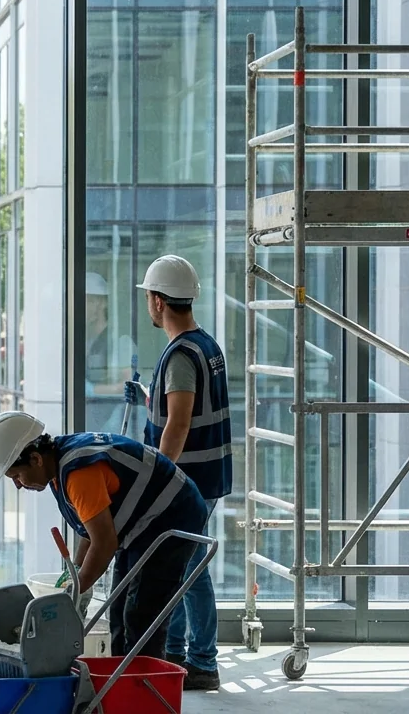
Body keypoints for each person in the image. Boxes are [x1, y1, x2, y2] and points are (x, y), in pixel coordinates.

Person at [0, 411, 207, 665]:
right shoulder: (59, 466)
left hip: (171, 516)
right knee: (119, 609)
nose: (18, 485)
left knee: (141, 615)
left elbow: (104, 543)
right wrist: (77, 575)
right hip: (143, 523)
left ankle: (146, 689)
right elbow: (91, 529)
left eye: (16, 476)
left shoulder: (79, 473)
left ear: (35, 459)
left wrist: (76, 593)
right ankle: (122, 684)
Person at [124, 254, 232, 691]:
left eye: (148, 298)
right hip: (207, 473)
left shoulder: (180, 353)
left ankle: (202, 661)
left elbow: (180, 421)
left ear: (157, 301)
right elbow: (180, 408)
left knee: (190, 570)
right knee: (188, 565)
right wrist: (151, 399)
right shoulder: (205, 344)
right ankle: (181, 654)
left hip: (189, 480)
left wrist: (158, 477)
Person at [85, 272, 137, 433]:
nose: (82, 306)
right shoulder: (86, 341)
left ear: (101, 303)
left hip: (113, 426)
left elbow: (128, 386)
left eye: (88, 301)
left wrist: (92, 390)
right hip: (91, 423)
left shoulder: (120, 340)